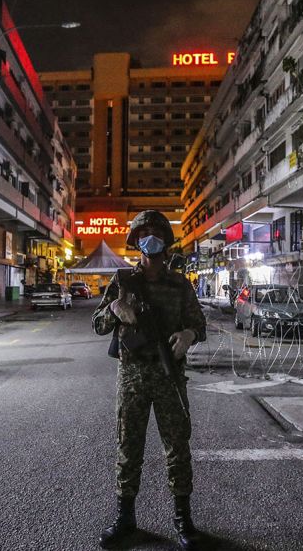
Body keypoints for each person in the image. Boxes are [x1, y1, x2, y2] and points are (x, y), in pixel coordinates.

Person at [92, 210, 206, 550]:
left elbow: (199, 324)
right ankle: (125, 519)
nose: (151, 238)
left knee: (178, 448)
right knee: (128, 448)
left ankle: (183, 520)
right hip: (132, 378)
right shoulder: (123, 281)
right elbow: (97, 322)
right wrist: (114, 309)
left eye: (157, 233)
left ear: (165, 243)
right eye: (145, 233)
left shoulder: (180, 284)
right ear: (136, 240)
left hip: (169, 377)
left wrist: (188, 334)